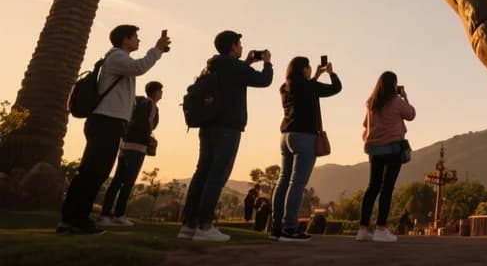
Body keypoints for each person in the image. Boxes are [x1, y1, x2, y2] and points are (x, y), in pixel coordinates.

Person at [58, 25, 170, 235]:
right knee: (93, 172)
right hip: (105, 122)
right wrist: (157, 50)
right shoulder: (117, 57)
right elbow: (140, 67)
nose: (138, 40)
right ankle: (75, 219)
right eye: (136, 37)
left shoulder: (119, 60)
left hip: (110, 122)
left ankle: (75, 218)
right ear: (125, 40)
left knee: (96, 172)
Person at [178, 30, 273, 242]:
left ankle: (189, 225)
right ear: (232, 46)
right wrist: (267, 62)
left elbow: (231, 80)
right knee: (217, 174)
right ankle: (205, 226)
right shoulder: (234, 67)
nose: (241, 47)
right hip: (228, 127)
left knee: (201, 172)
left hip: (208, 125)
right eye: (239, 44)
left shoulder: (211, 66)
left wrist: (246, 63)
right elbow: (264, 80)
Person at [270, 56, 342, 242]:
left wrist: (316, 75)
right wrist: (331, 73)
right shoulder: (310, 87)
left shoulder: (284, 87)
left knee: (283, 180)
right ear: (304, 69)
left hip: (286, 136)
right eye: (309, 67)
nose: (311, 69)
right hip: (304, 137)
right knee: (297, 183)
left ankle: (276, 227)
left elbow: (305, 90)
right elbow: (336, 88)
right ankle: (290, 228)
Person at [355, 71, 415, 243]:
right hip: (393, 149)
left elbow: (366, 124)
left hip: (374, 150)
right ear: (394, 85)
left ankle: (363, 229)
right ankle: (381, 228)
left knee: (372, 187)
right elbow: (411, 114)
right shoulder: (396, 101)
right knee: (387, 188)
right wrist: (404, 97)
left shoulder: (371, 102)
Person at [100, 80, 163, 226]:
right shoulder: (151, 105)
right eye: (160, 91)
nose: (161, 94)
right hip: (137, 148)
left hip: (125, 146)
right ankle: (119, 214)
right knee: (128, 183)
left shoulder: (136, 103)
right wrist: (148, 140)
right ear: (155, 92)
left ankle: (105, 214)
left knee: (117, 181)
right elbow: (145, 125)